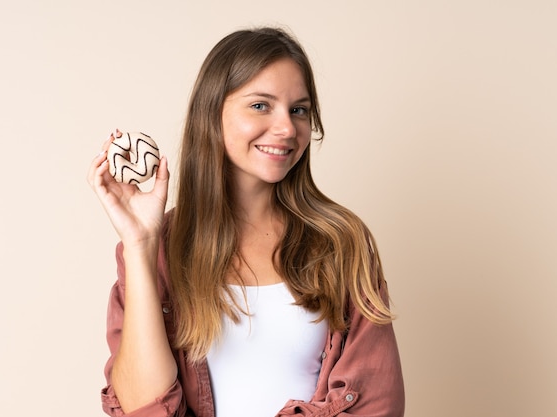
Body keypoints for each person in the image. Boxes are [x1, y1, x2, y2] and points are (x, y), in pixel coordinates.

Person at [87, 27, 404, 417]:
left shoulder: (341, 245)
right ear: (212, 113)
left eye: (299, 110)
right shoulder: (159, 250)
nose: (287, 128)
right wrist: (140, 244)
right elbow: (142, 408)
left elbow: (376, 402)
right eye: (260, 105)